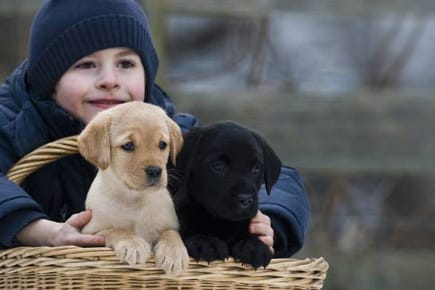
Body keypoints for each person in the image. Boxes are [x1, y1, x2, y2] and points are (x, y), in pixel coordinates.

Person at [0, 0, 310, 258]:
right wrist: (39, 229)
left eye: (126, 64)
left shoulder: (171, 132)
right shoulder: (14, 124)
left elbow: (280, 176)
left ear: (147, 75)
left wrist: (270, 220)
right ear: (47, 80)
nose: (110, 79)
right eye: (86, 65)